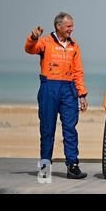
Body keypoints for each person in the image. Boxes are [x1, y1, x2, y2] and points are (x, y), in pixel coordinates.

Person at [25, 12, 88, 180]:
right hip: (49, 88)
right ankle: (45, 167)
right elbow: (29, 49)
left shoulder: (74, 46)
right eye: (68, 26)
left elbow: (78, 72)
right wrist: (32, 37)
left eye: (72, 26)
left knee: (70, 128)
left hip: (69, 90)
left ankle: (73, 166)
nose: (71, 29)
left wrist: (82, 94)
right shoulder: (45, 42)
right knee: (47, 129)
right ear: (58, 26)